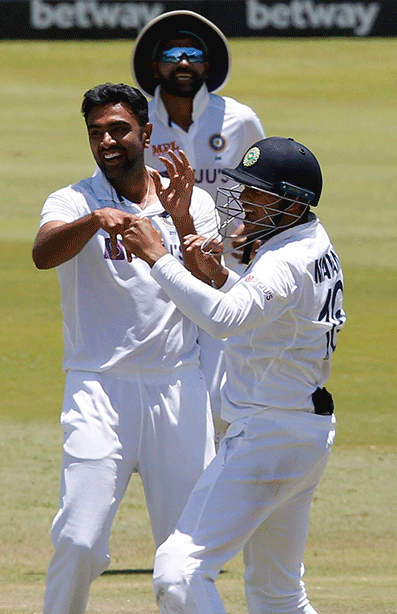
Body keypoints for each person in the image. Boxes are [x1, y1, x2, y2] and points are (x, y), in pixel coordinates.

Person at [117, 137, 376, 614]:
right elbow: (254, 306)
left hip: (267, 435)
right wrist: (204, 260)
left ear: (293, 204)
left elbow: (230, 319)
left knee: (180, 567)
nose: (246, 202)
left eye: (260, 194)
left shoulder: (287, 259)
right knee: (277, 589)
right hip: (302, 432)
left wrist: (160, 258)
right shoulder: (306, 246)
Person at [26, 83, 221, 614]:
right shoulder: (73, 199)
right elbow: (43, 251)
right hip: (98, 388)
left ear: (144, 129)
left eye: (118, 129)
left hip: (177, 388)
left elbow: (214, 284)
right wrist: (96, 222)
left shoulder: (186, 196)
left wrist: (183, 225)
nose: (107, 142)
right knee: (79, 542)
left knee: (184, 555)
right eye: (97, 133)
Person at [132, 10, 265, 439]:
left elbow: (263, 182)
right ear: (156, 67)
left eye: (193, 54)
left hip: (228, 264)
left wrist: (252, 229)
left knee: (225, 382)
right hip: (163, 264)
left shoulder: (239, 119)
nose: (183, 63)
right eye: (172, 54)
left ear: (207, 65)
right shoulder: (138, 124)